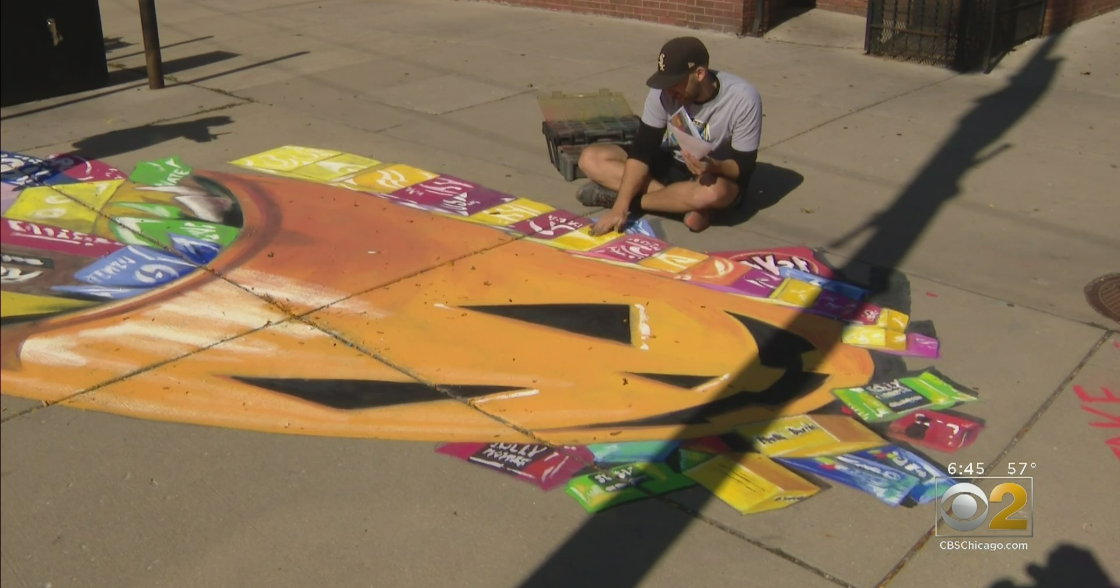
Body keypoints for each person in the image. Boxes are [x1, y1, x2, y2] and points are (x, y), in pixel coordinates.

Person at [575, 36, 763, 235]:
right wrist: (619, 209)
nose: (668, 90)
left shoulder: (743, 98)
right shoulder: (662, 92)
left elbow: (744, 167)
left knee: (713, 193)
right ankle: (679, 205)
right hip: (669, 162)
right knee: (591, 158)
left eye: (675, 83)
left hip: (712, 174)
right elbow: (642, 151)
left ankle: (640, 200)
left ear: (699, 74)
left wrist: (713, 165)